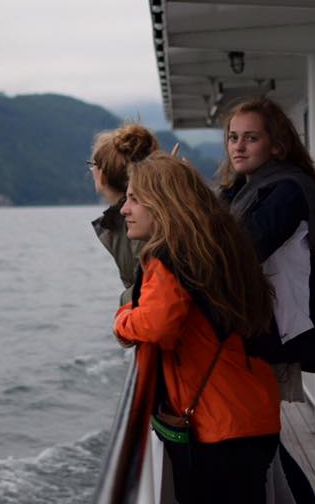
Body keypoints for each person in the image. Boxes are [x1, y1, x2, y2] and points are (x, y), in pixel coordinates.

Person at [114, 153, 281, 503]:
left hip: (218, 425)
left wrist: (123, 319)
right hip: (253, 411)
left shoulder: (168, 255)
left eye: (133, 199)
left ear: (162, 203)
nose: (124, 209)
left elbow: (157, 326)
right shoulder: (220, 246)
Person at [218, 96, 315, 504]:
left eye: (250, 137)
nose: (238, 146)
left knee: (262, 445)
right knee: (263, 445)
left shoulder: (286, 190)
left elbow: (243, 248)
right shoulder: (245, 189)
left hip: (273, 332)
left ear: (277, 144)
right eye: (233, 137)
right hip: (258, 329)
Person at [89, 123, 159, 306]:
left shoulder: (134, 226)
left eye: (92, 165)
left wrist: (124, 304)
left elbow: (148, 293)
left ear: (102, 175)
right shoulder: (125, 220)